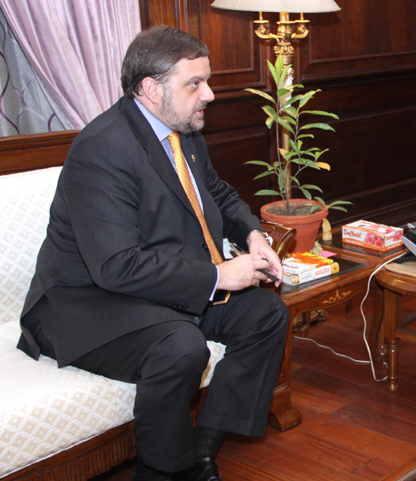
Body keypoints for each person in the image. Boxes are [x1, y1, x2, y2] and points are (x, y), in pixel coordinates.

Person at [17, 25, 289, 481]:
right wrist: (220, 276)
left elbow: (218, 194)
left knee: (265, 315)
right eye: (194, 84)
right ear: (151, 88)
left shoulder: (183, 129)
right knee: (180, 347)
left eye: (207, 81)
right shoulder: (102, 150)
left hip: (155, 287)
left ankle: (201, 451)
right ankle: (160, 473)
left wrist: (253, 235)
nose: (209, 95)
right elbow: (114, 266)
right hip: (83, 302)